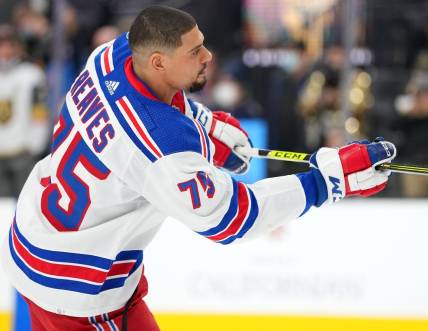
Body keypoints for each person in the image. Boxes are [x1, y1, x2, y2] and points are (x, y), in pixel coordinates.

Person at [0, 6, 397, 331]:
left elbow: (156, 100)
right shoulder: (162, 148)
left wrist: (206, 127)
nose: (207, 56)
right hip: (80, 286)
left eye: (202, 44)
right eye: (195, 52)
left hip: (37, 239)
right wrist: (327, 181)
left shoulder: (110, 56)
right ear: (158, 60)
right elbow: (231, 219)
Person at [0, 24, 49, 198]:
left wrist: (34, 145)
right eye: (1, 44)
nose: (5, 50)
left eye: (9, 44)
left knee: (25, 202)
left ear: (19, 47)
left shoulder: (32, 75)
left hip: (22, 151)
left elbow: (39, 112)